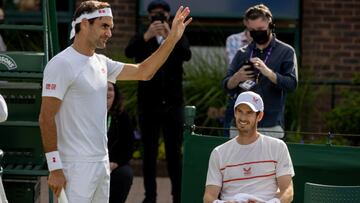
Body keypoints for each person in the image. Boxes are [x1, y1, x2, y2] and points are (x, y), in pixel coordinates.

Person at [38, 1, 192, 202]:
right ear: (84, 24)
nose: (109, 33)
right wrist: (55, 168)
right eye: (104, 26)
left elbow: (144, 72)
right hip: (73, 166)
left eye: (111, 27)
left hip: (101, 164)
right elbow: (46, 118)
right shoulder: (60, 64)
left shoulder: (101, 62)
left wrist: (171, 39)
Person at [124, 1, 191, 202]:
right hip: (148, 105)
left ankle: (177, 196)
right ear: (148, 17)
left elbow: (186, 54)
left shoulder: (177, 34)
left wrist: (171, 35)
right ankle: (149, 196)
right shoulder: (142, 36)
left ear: (169, 16)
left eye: (161, 15)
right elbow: (129, 53)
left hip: (173, 104)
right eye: (154, 15)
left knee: (174, 154)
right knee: (149, 154)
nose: (158, 19)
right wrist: (147, 36)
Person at [203, 91, 294, 203]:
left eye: (249, 112)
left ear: (259, 116)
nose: (243, 117)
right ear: (235, 113)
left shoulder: (278, 147)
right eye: (239, 111)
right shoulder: (218, 153)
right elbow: (209, 197)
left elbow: (288, 191)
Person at [222, 4, 298, 139]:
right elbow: (226, 85)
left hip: (270, 125)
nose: (257, 33)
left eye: (260, 29)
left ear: (270, 25)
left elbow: (291, 84)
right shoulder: (242, 52)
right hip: (241, 125)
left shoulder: (286, 51)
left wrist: (268, 72)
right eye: (252, 30)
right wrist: (237, 77)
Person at [107, 82, 134, 203]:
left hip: (113, 163)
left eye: (110, 89)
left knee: (125, 174)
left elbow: (128, 147)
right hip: (90, 162)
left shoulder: (122, 116)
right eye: (103, 89)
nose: (107, 93)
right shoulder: (87, 115)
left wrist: (115, 163)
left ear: (115, 93)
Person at [223, 29, 252, 137]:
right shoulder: (234, 40)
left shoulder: (273, 46)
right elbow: (233, 68)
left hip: (260, 96)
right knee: (231, 136)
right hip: (236, 94)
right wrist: (252, 46)